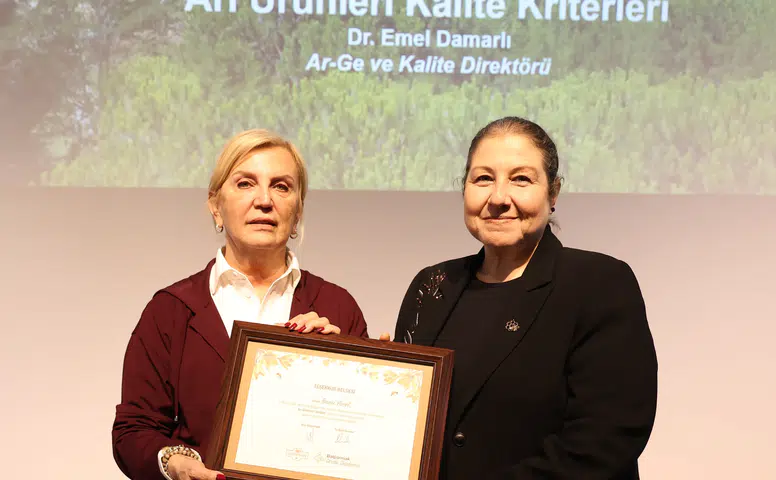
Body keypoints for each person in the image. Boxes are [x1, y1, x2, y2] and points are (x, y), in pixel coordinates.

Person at [394, 116, 658, 479]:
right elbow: (404, 421)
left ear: (553, 193)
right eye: (483, 179)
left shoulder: (598, 284)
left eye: (521, 179)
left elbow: (605, 442)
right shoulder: (433, 285)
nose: (498, 198)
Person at [112, 129, 368, 480]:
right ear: (216, 206)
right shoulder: (171, 310)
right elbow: (133, 432)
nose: (264, 200)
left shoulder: (337, 307)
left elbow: (362, 436)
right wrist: (175, 462)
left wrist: (344, 365)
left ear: (297, 212)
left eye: (281, 186)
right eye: (245, 183)